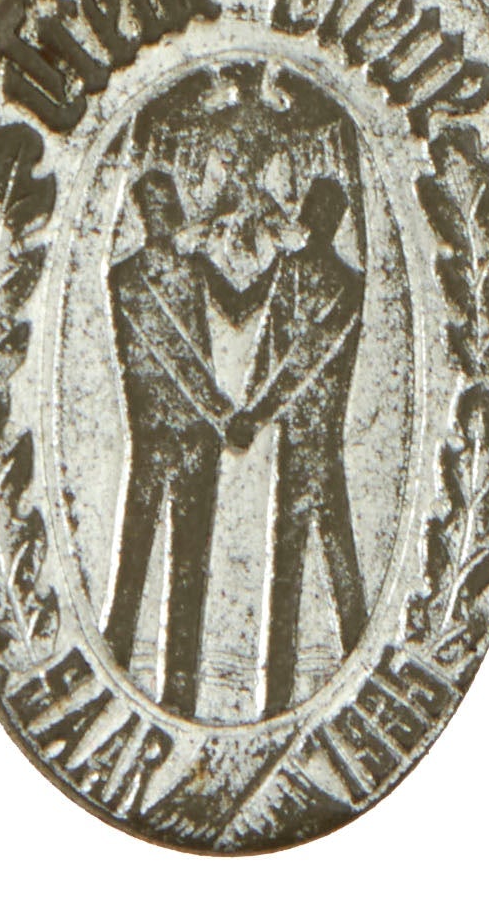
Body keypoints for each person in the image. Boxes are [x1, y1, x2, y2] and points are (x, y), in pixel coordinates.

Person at [102, 169, 270, 716]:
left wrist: (278, 265)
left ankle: (181, 695)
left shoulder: (194, 266)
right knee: (134, 561)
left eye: (168, 205)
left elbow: (238, 307)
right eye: (156, 206)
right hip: (157, 437)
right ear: (145, 213)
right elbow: (175, 358)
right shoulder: (126, 278)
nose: (164, 215)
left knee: (189, 571)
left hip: (197, 440)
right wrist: (226, 414)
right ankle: (112, 671)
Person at [236, 176, 368, 717]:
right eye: (316, 209)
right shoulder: (288, 272)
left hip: (319, 436)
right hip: (294, 437)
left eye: (325, 210)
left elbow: (305, 356)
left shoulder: (349, 285)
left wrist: (254, 414)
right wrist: (248, 408)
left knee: (330, 558)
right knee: (288, 562)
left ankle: (359, 665)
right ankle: (275, 696)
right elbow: (267, 347)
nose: (318, 219)